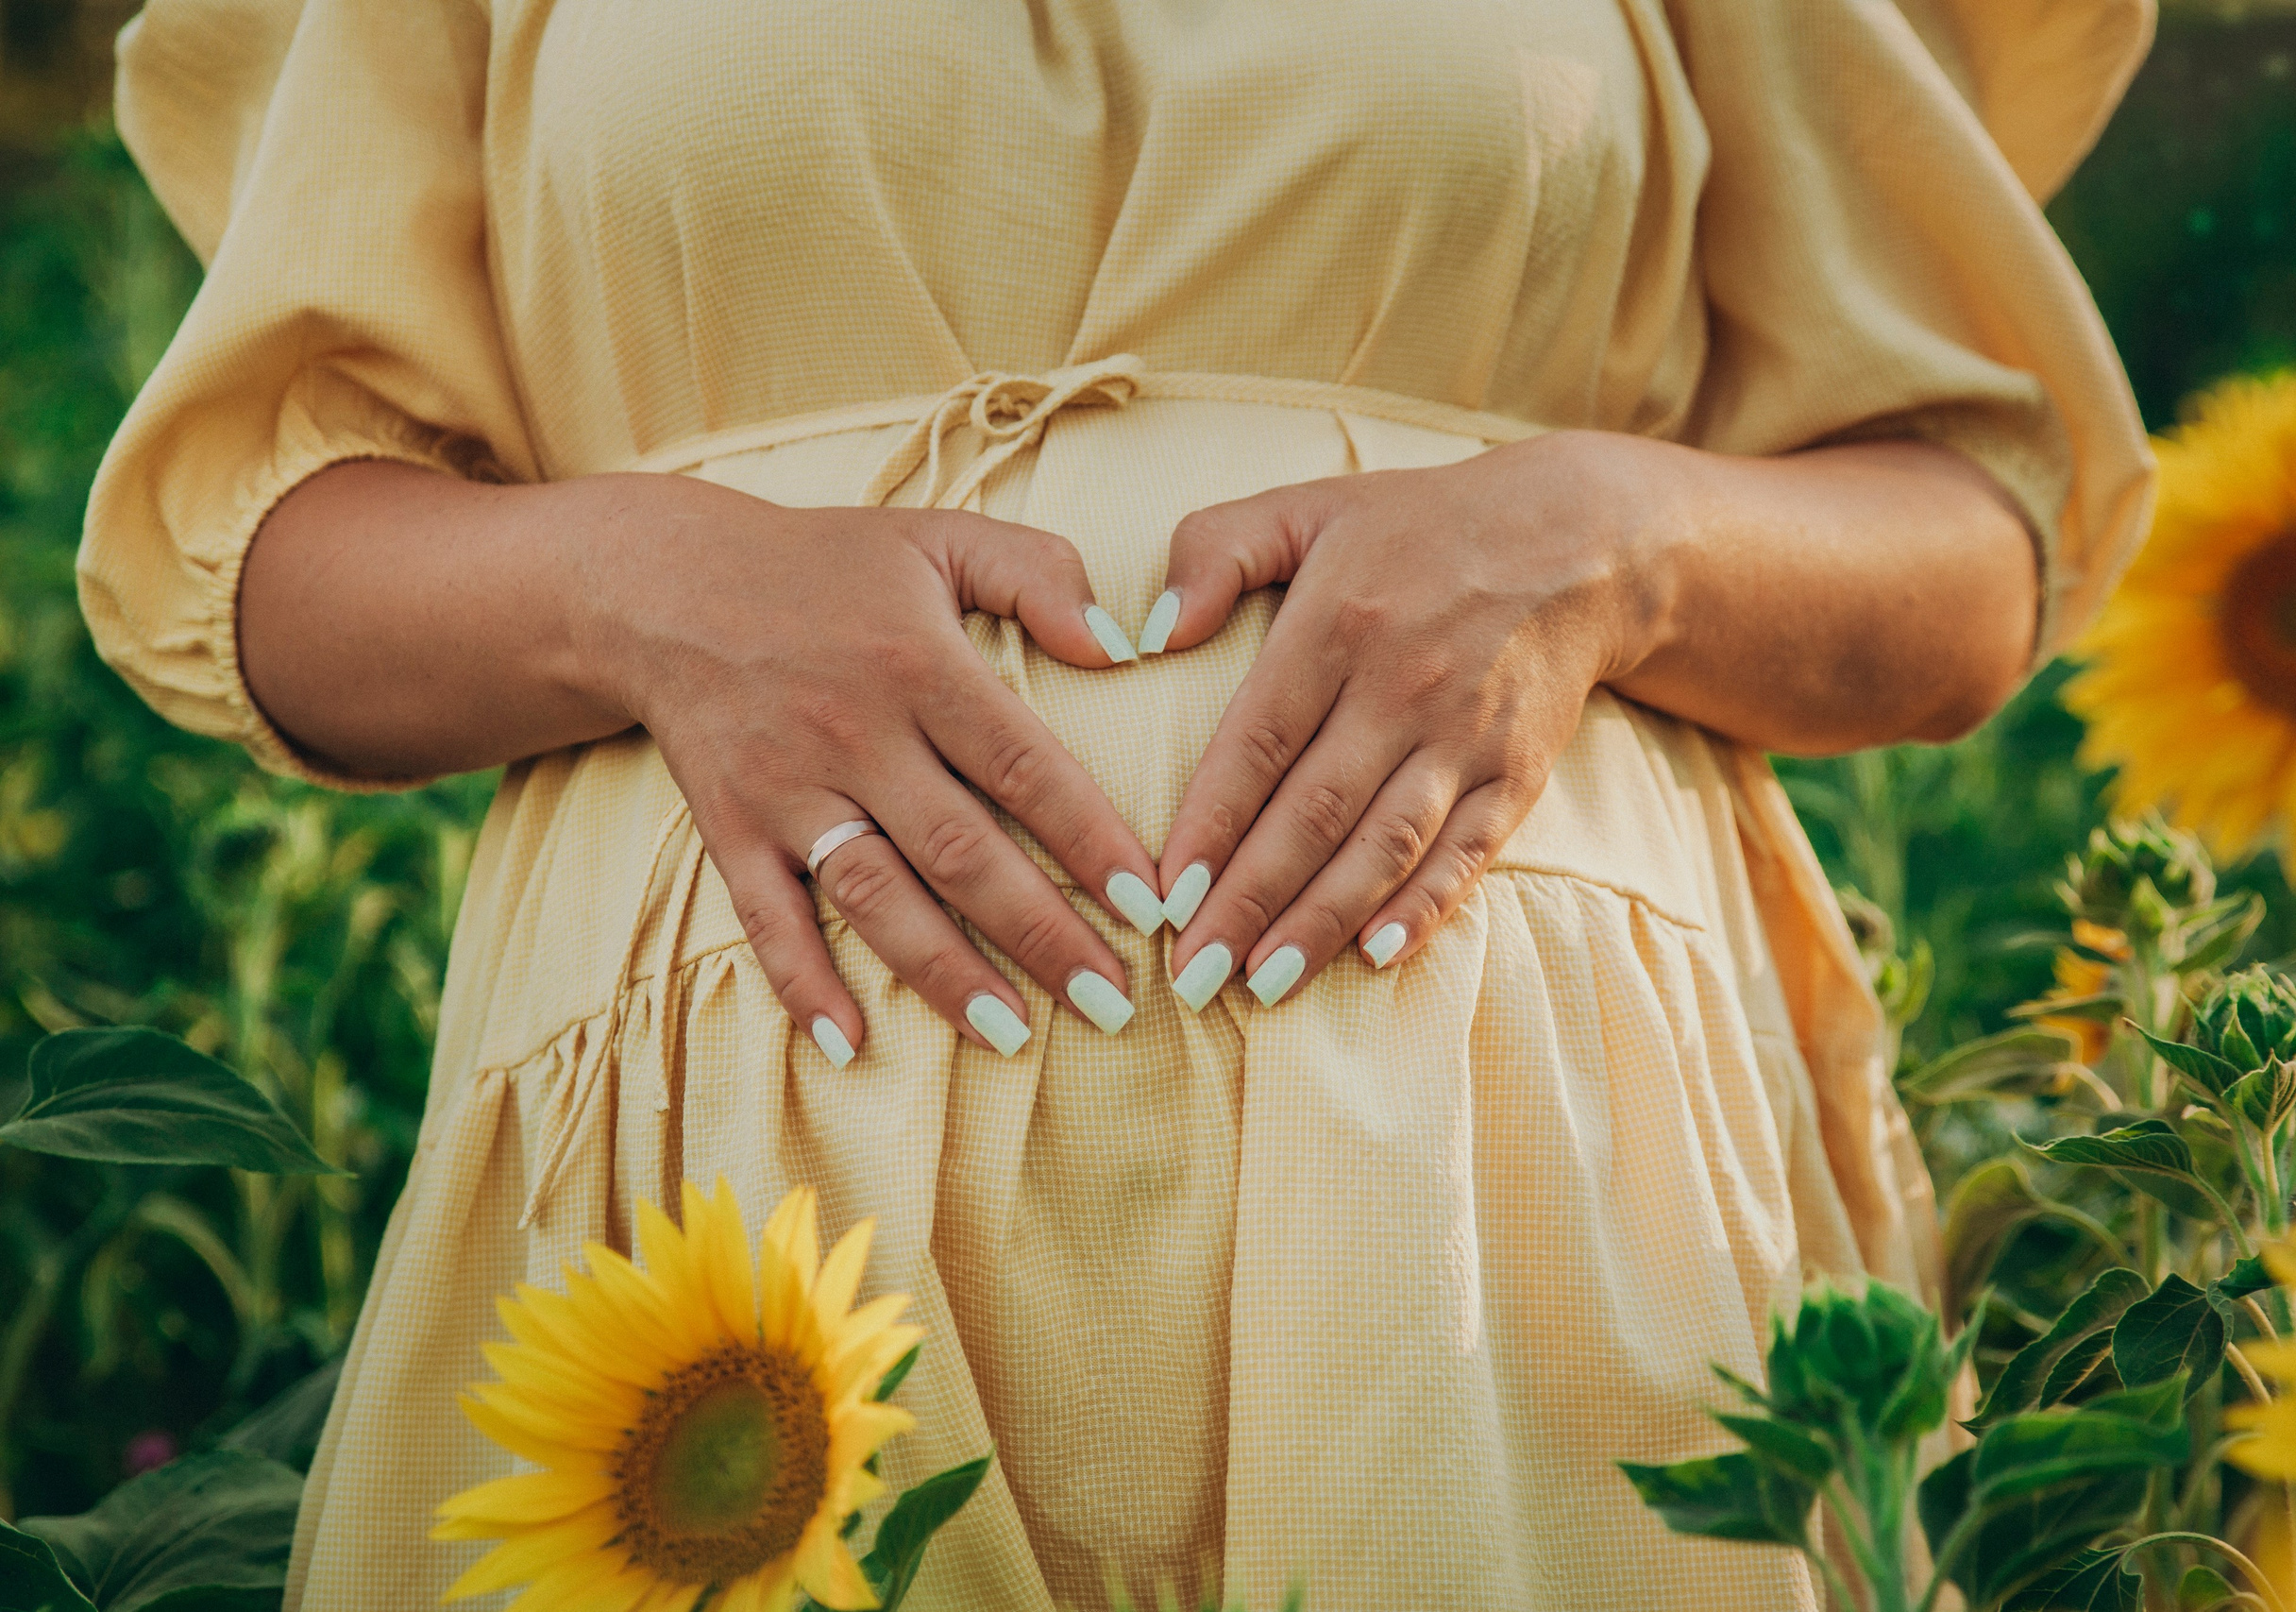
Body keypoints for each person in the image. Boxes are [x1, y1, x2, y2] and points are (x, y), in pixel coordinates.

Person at [82, 0, 2154, 1605]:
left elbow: (1968, 549)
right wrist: (644, 585)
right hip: (702, 1238)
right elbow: (256, 559)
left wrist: (1608, 538)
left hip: (1509, 1207)